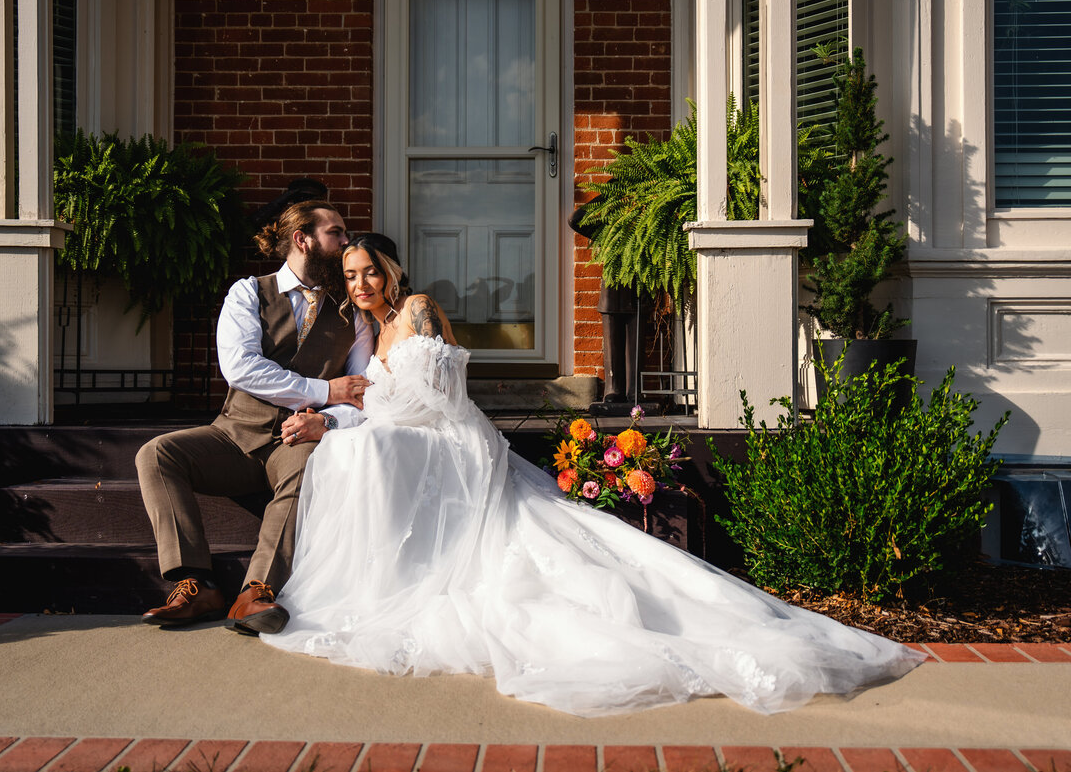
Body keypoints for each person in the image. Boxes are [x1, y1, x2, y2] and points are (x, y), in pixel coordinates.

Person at [258, 233, 926, 716]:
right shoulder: (372, 335)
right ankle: (383, 576)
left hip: (454, 440)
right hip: (415, 438)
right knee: (348, 452)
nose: (359, 283)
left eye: (367, 270)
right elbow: (380, 405)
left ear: (389, 270)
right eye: (349, 275)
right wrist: (331, 419)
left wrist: (346, 416)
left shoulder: (417, 310)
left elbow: (434, 398)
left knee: (362, 453)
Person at [136, 200, 373, 636]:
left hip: (297, 441)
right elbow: (241, 367)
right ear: (303, 239)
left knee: (309, 467)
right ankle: (196, 583)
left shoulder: (352, 310)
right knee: (157, 454)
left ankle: (255, 591)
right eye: (335, 233)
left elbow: (361, 391)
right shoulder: (249, 292)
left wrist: (326, 419)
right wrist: (324, 390)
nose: (345, 242)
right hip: (233, 437)